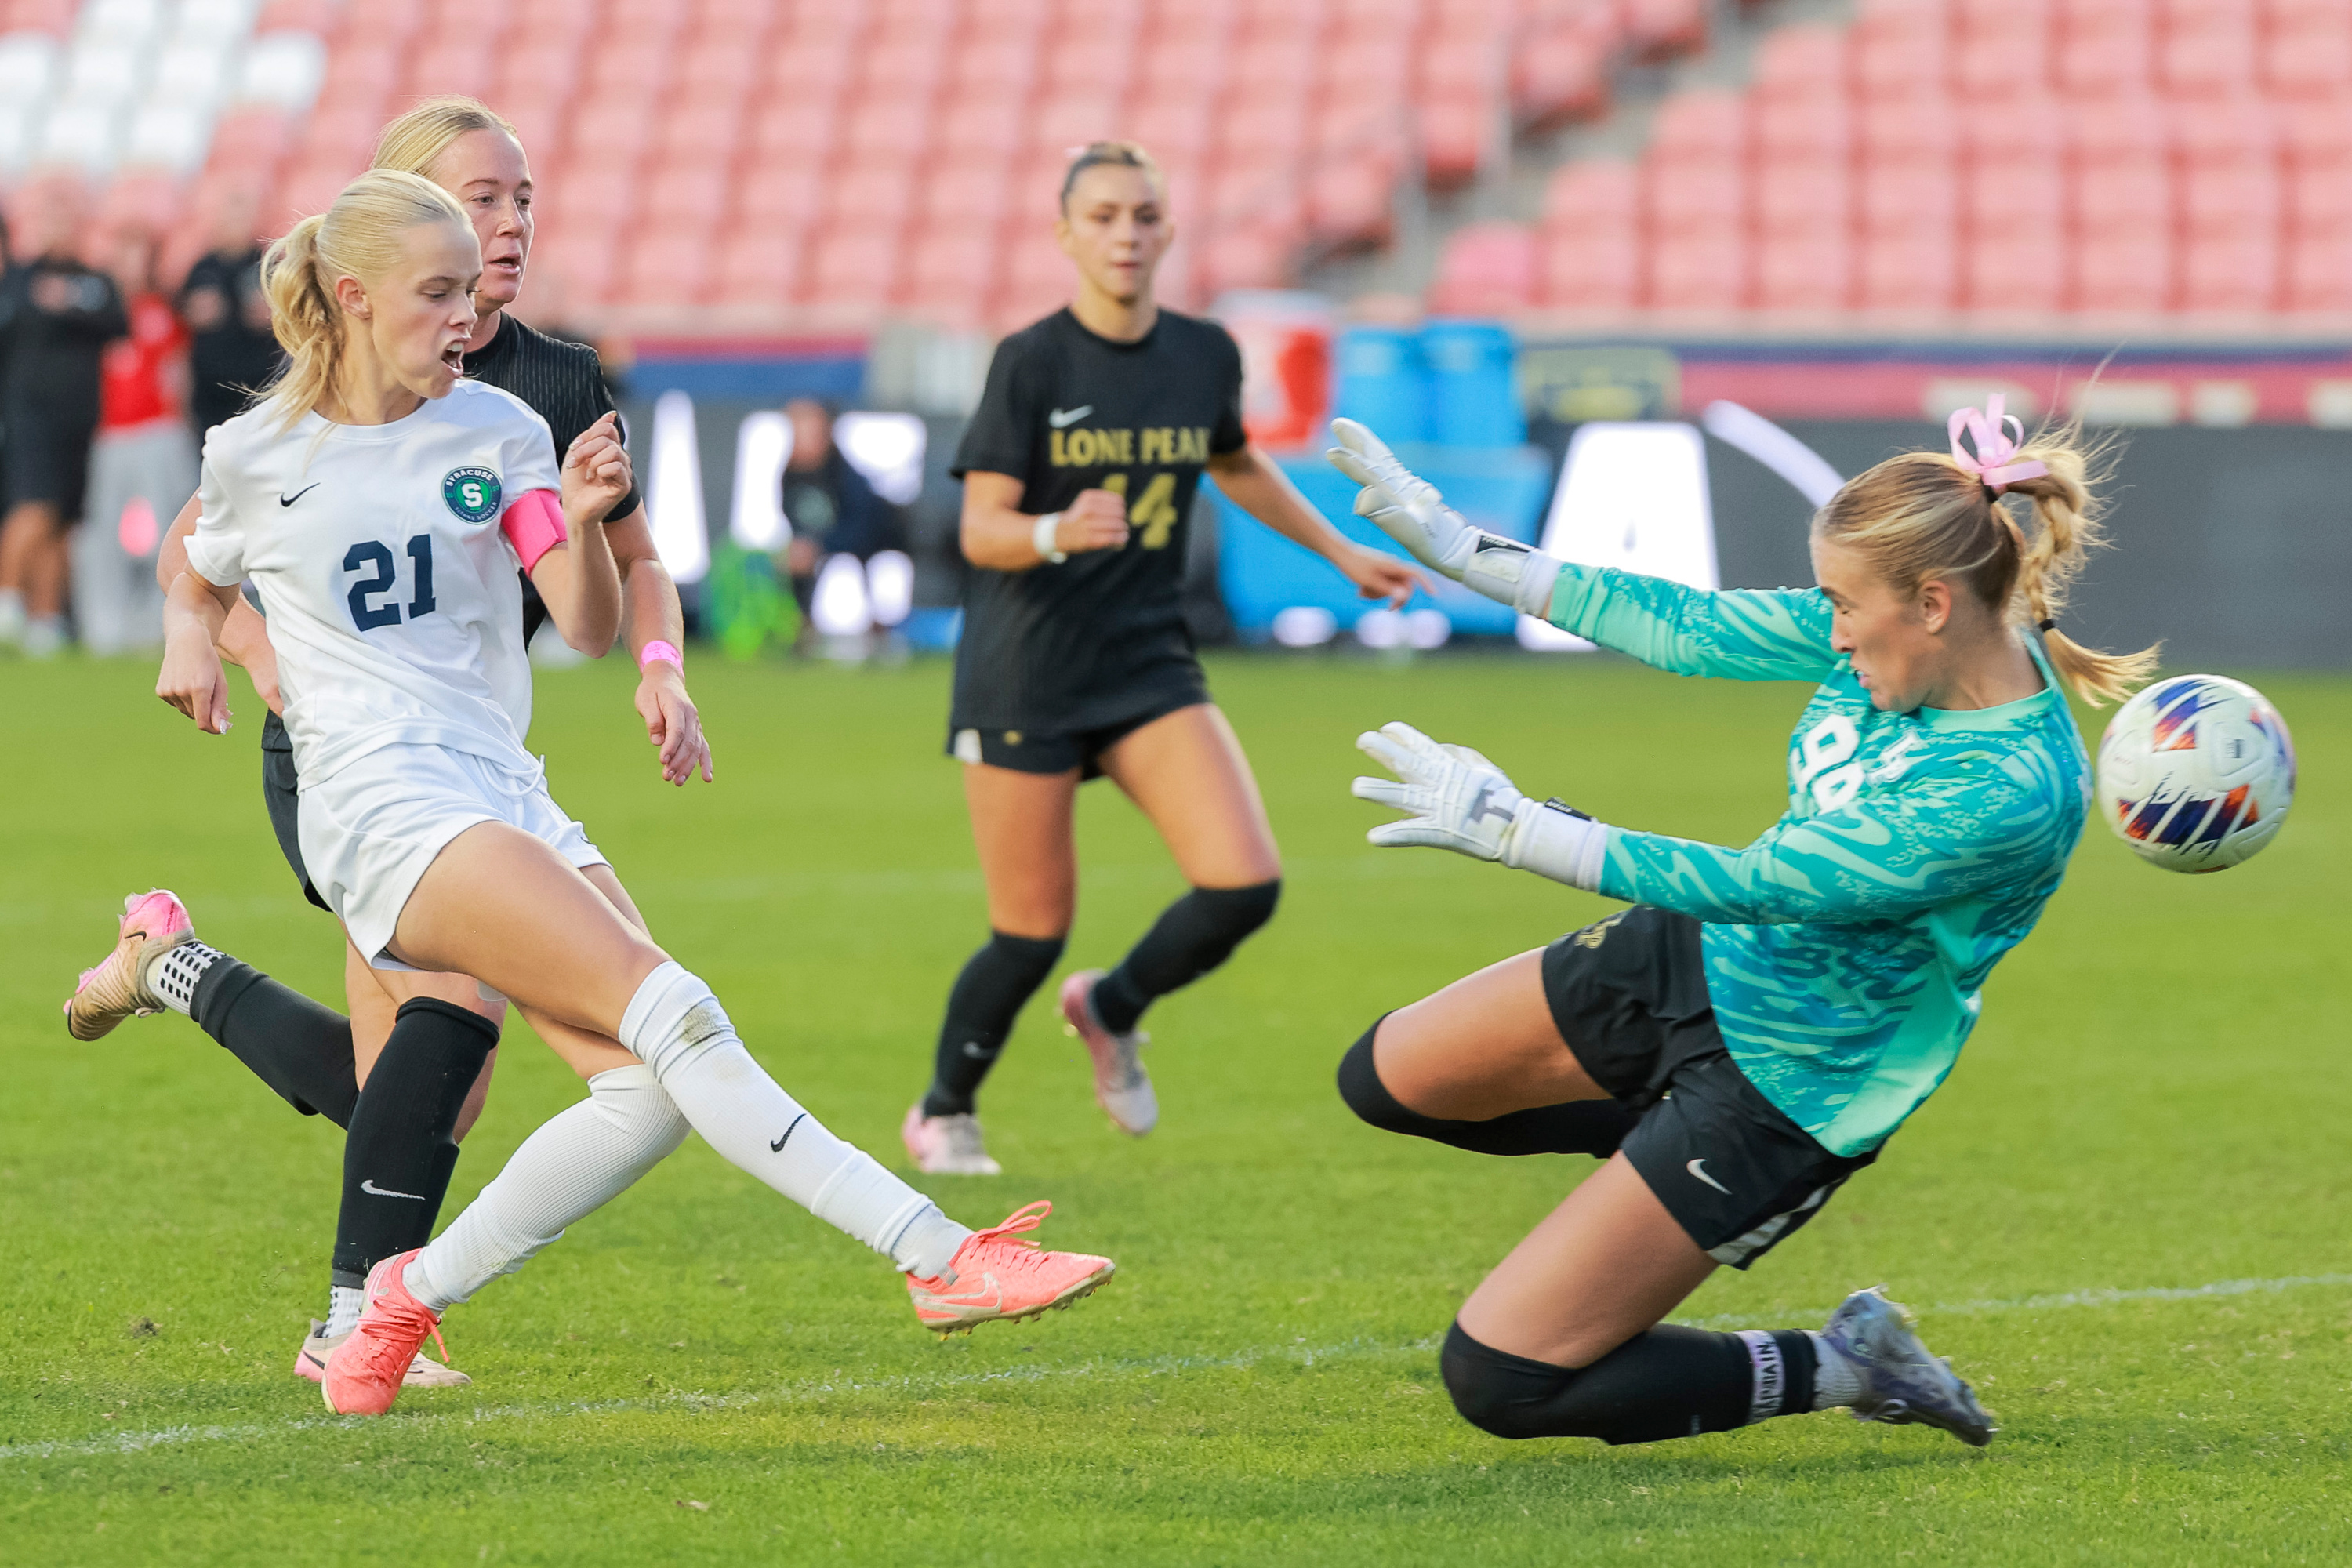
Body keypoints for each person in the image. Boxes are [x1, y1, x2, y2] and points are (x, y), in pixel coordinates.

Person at [147, 169, 1112, 1417]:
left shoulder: (497, 433)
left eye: (467, 292)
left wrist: (591, 520)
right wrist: (192, 635)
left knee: (649, 1095)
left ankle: (403, 1296)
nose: (463, 315)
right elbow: (196, 566)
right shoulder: (255, 451)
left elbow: (588, 626)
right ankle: (941, 1255)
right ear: (353, 296)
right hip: (381, 808)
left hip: (501, 781)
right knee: (676, 1011)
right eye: (436, 293)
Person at [1326, 405, 2156, 1448]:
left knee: (1500, 1380)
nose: (1833, 629)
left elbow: (1771, 881)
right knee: (1389, 1078)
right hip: (1699, 955)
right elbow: (1689, 628)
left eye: (1846, 608)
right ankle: (1656, 1166)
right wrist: (1461, 549)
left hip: (1795, 1079)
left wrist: (1522, 831)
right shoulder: (1910, 632)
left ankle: (1844, 1364)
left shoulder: (2010, 790)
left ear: (1934, 604)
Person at [68, 98, 711, 1390]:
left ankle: (172, 969)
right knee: (453, 1019)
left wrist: (661, 667)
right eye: (480, 199)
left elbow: (634, 562)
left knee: (419, 1088)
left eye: (523, 198)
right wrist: (223, 648)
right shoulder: (345, 371)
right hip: (343, 757)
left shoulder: (553, 381)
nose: (511, 224)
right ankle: (356, 1324)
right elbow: (208, 543)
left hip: (468, 751)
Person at [900, 141, 1419, 1178]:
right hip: (1027, 669)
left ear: (1168, 230)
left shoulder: (1201, 353)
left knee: (1243, 885)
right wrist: (1054, 532)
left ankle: (1114, 1006)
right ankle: (944, 1110)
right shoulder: (1033, 360)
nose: (1126, 235)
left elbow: (1234, 462)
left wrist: (1340, 550)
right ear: (1066, 236)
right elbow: (982, 530)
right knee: (1030, 932)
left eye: (1143, 216)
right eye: (1102, 217)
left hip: (1145, 661)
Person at [0, 177, 126, 656]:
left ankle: (45, 620)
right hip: (29, 414)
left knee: (64, 520)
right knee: (34, 505)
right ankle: (9, 600)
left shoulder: (95, 280)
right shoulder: (19, 279)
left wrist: (68, 304)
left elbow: (118, 324)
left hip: (80, 418)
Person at [72, 225, 193, 655]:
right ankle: (104, 626)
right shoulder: (95, 314)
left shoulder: (159, 310)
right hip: (110, 434)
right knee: (104, 531)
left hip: (155, 430)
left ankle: (159, 623)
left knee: (166, 530)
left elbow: (176, 373)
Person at [778, 395, 906, 620]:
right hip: (818, 552)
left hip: (862, 551)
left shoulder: (845, 477)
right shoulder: (790, 475)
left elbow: (863, 531)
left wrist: (820, 547)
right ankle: (795, 625)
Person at [176, 183, 281, 437]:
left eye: (241, 216)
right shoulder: (202, 267)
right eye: (229, 216)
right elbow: (182, 318)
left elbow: (293, 316)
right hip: (212, 390)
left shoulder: (269, 264)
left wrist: (273, 315)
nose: (235, 223)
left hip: (261, 386)